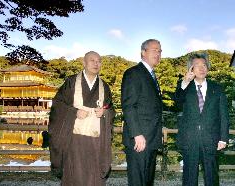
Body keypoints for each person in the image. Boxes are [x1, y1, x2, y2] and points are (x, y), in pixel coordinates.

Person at [48, 51, 115, 186]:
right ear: (84, 63)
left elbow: (111, 109)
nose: (96, 64)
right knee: (74, 174)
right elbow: (57, 105)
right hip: (73, 139)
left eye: (99, 61)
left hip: (97, 140)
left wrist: (105, 112)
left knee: (95, 175)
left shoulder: (105, 87)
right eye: (92, 60)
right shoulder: (71, 82)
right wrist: (74, 112)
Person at [174, 53, 229, 186]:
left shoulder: (217, 88)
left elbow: (223, 115)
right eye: (197, 65)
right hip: (189, 139)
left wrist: (223, 138)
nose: (201, 68)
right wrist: (185, 82)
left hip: (211, 139)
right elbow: (177, 103)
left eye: (204, 65)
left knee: (212, 177)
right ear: (191, 69)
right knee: (189, 178)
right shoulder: (184, 87)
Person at [121, 39, 163, 186]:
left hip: (151, 138)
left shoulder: (151, 75)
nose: (158, 54)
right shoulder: (133, 73)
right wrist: (137, 134)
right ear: (143, 52)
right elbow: (129, 106)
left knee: (147, 180)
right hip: (139, 140)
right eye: (154, 50)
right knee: (138, 180)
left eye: (160, 51)